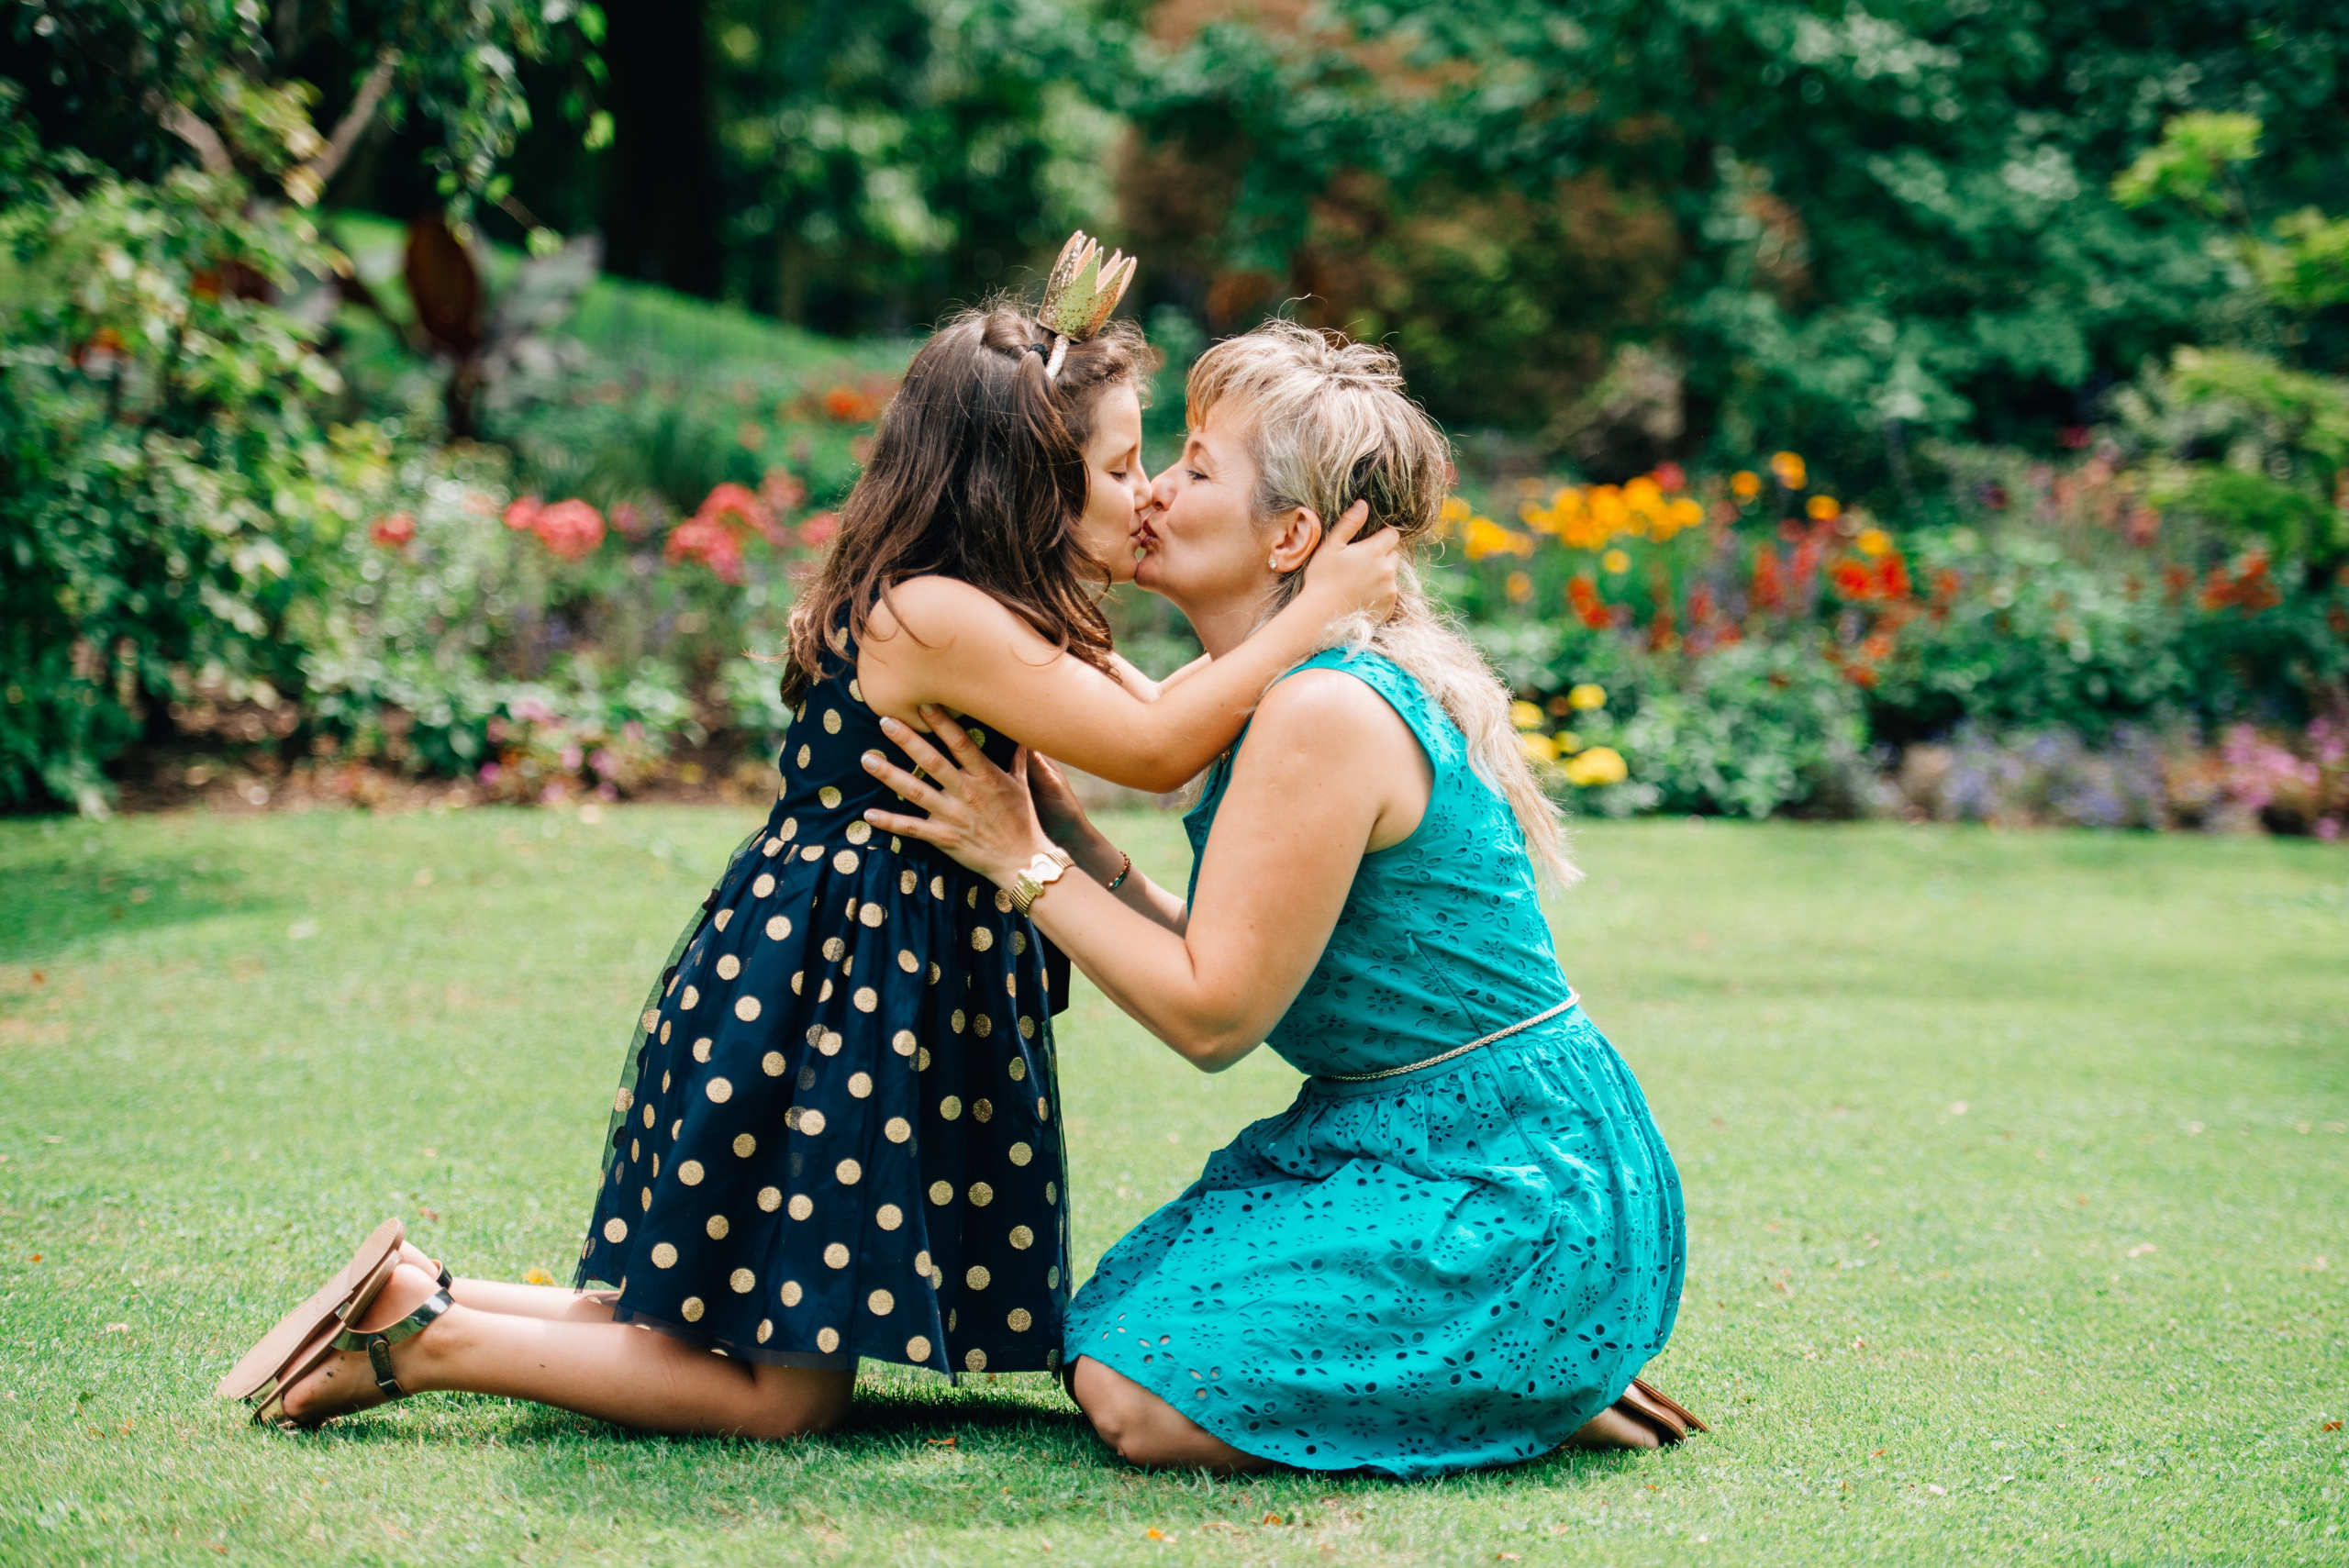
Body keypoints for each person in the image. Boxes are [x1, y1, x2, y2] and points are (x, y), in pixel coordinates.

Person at [218, 239, 1401, 1439]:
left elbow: (1153, 715)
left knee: (710, 1319)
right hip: (833, 981)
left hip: (861, 971)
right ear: (1030, 486)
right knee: (784, 1392)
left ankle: (425, 1299)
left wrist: (1060, 355)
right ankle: (430, 1339)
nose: (1143, 492)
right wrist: (1317, 617)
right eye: (1119, 464)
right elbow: (1159, 750)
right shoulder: (940, 616)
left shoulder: (993, 603)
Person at [862, 320, 1700, 1478]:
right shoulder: (1255, 690)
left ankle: (1525, 1358)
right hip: (1395, 1138)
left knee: (1134, 1393)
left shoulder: (1326, 711)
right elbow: (1223, 937)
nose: (1152, 489)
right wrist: (1067, 836)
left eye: (1197, 466)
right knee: (1104, 1326)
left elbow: (1213, 1014)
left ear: (1291, 535)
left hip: (1505, 1174)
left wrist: (1020, 860)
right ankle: (1519, 1360)